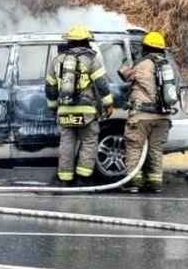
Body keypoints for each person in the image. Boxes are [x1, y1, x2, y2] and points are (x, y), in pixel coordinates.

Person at [45, 24, 114, 187]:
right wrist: (108, 103)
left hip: (64, 110)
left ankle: (65, 178)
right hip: (86, 111)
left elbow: (50, 87)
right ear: (85, 42)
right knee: (89, 142)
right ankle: (83, 178)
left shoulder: (57, 60)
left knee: (67, 143)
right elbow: (102, 84)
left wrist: (54, 107)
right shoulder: (91, 59)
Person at [118, 31, 174, 193]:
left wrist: (126, 60)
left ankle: (134, 183)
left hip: (142, 116)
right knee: (155, 149)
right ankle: (155, 183)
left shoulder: (142, 64)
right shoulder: (166, 65)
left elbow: (124, 75)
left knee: (135, 147)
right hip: (163, 116)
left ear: (145, 47)